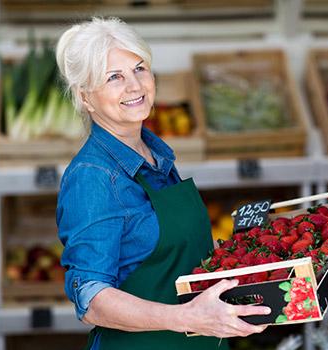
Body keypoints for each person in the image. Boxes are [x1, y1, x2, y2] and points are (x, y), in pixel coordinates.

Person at [55, 17, 271, 350]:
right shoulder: (92, 177)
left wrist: (251, 266)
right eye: (114, 77)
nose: (134, 86)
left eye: (139, 69)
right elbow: (92, 299)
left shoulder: (155, 155)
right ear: (86, 98)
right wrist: (188, 318)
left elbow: (175, 255)